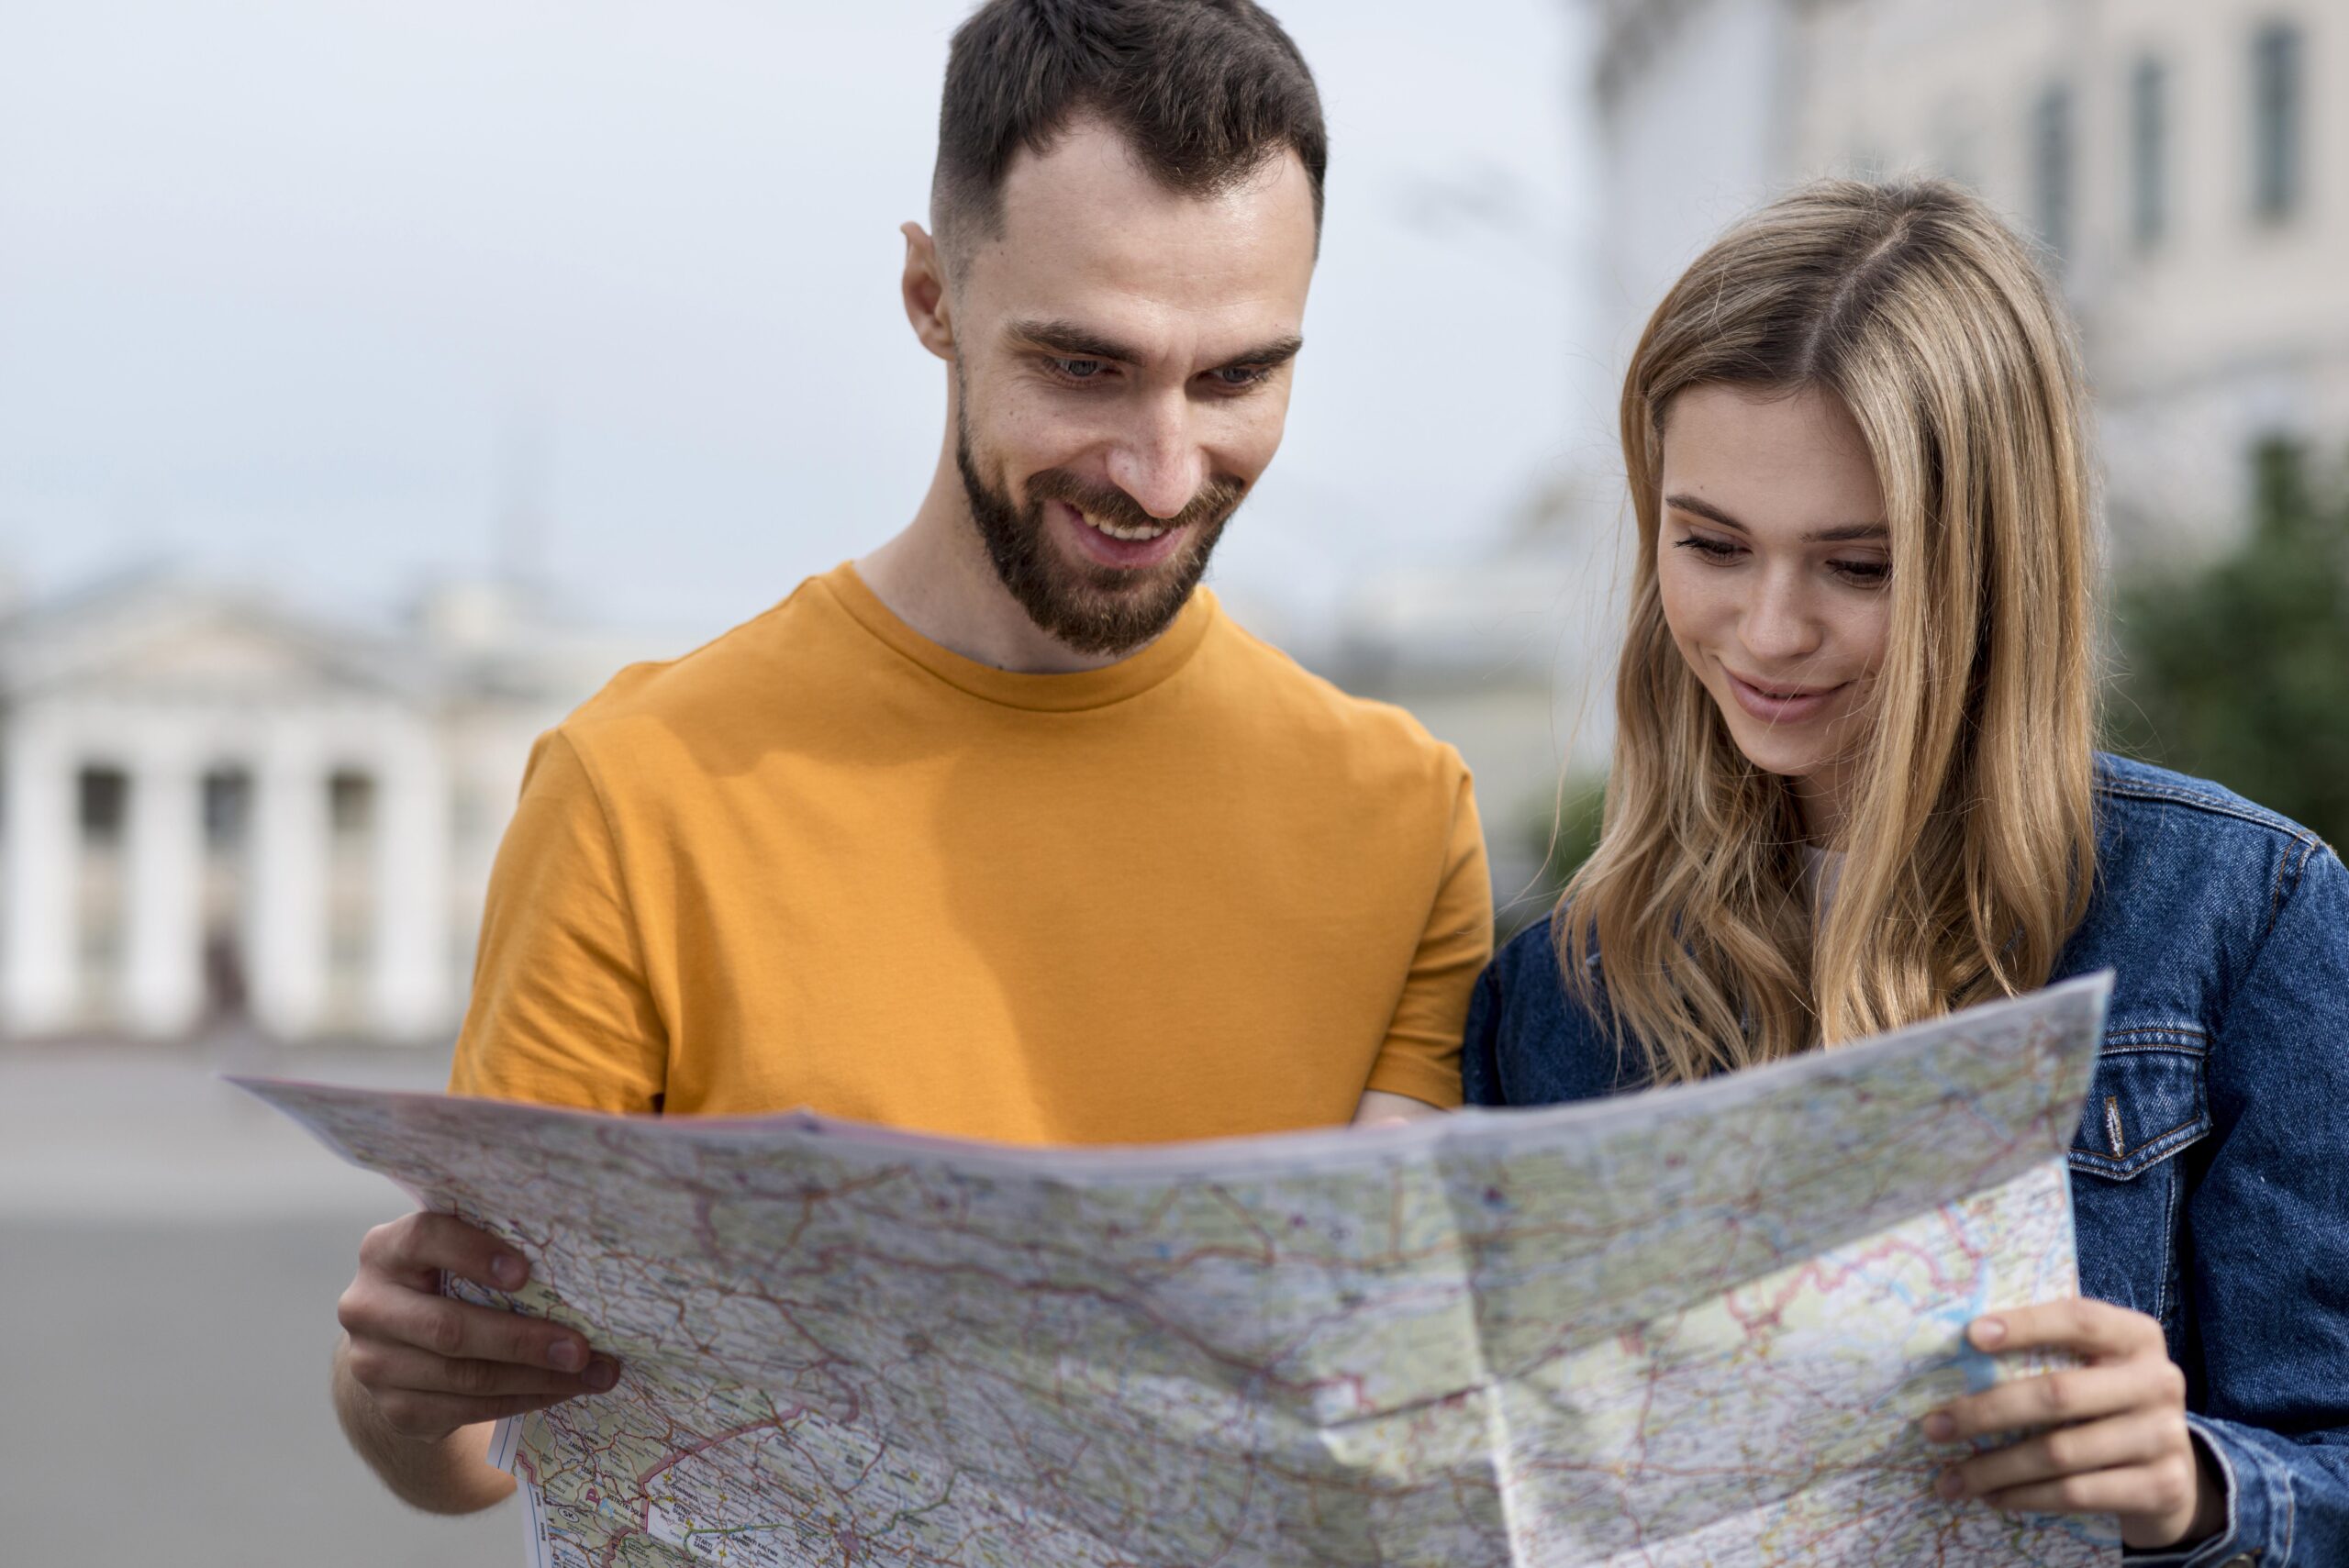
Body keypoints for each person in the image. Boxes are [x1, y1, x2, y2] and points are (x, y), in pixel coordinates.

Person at [332, 0, 1492, 1515]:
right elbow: (481, 1448)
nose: (1160, 470)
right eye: (1085, 366)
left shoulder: (1402, 815)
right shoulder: (645, 792)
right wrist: (396, 1388)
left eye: (1236, 379)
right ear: (930, 294)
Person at [1464, 178, 2347, 1564]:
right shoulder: (1553, 995)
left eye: (1857, 565)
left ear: (1994, 564)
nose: (1768, 629)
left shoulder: (2243, 915)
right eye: (1709, 544)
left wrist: (2194, 1483)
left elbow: (2330, 1456)